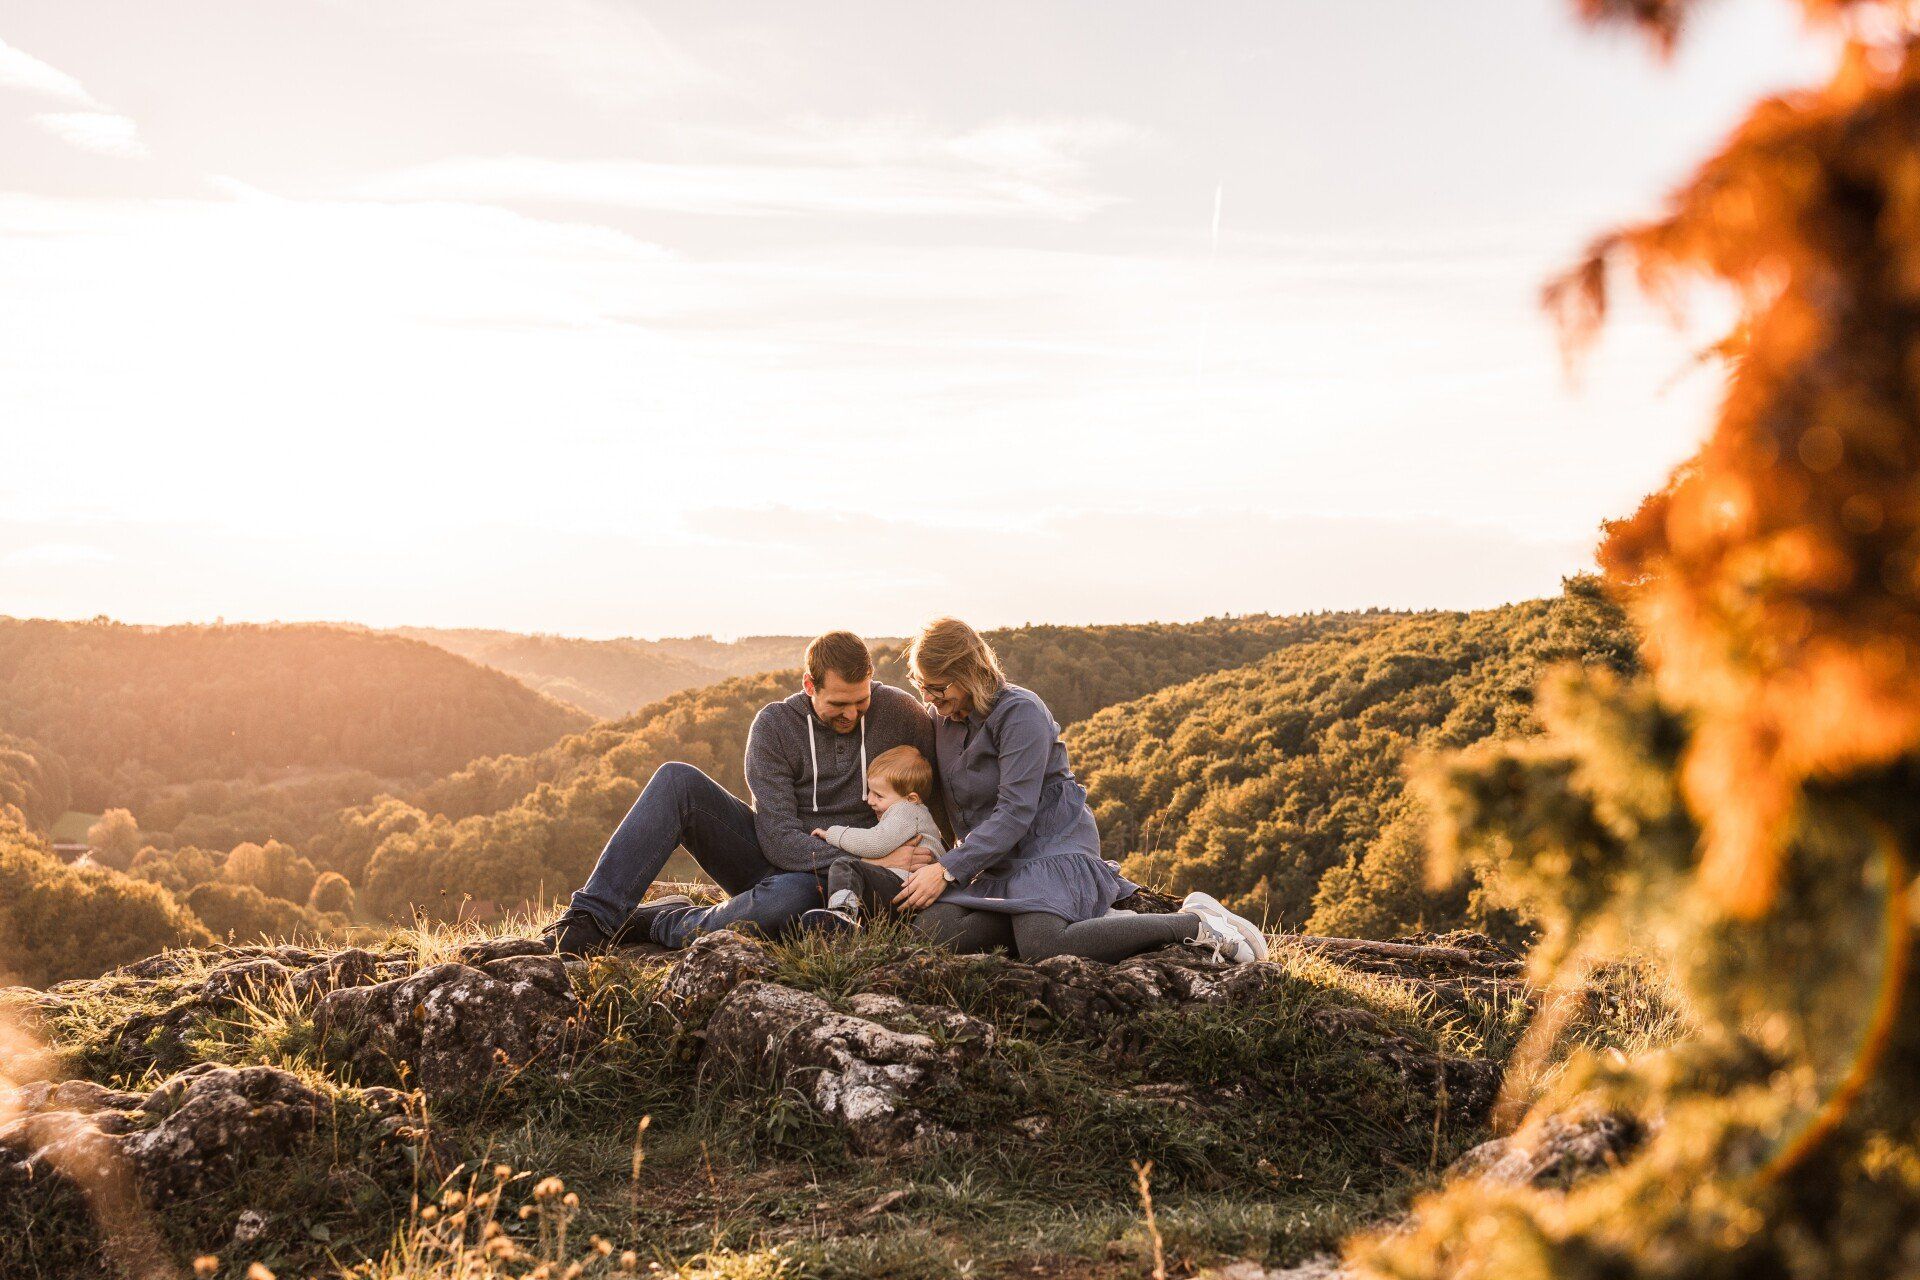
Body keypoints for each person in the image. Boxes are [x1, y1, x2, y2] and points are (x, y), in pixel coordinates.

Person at [895, 617, 1268, 965]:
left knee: (1043, 946)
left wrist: (946, 871)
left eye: (937, 687)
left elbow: (1015, 812)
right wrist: (936, 855)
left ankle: (1195, 924)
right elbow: (938, 801)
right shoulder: (939, 720)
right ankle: (1076, 920)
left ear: (969, 674)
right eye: (921, 685)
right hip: (994, 862)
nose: (929, 697)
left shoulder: (1019, 713)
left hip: (1050, 847)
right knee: (933, 933)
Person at [543, 631, 936, 956]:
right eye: (838, 704)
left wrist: (937, 866)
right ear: (809, 686)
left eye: (861, 702)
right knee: (677, 780)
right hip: (775, 856)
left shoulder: (901, 714)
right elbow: (780, 840)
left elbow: (934, 800)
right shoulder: (775, 726)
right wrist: (877, 856)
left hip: (840, 884)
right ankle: (590, 919)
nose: (850, 714)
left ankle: (660, 922)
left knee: (787, 902)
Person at [801, 744, 946, 934]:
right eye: (870, 791)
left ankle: (840, 915)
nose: (870, 800)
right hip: (909, 890)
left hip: (906, 886)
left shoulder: (907, 810)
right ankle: (851, 924)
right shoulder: (912, 812)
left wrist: (832, 834)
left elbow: (875, 843)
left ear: (911, 798)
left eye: (879, 795)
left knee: (846, 866)